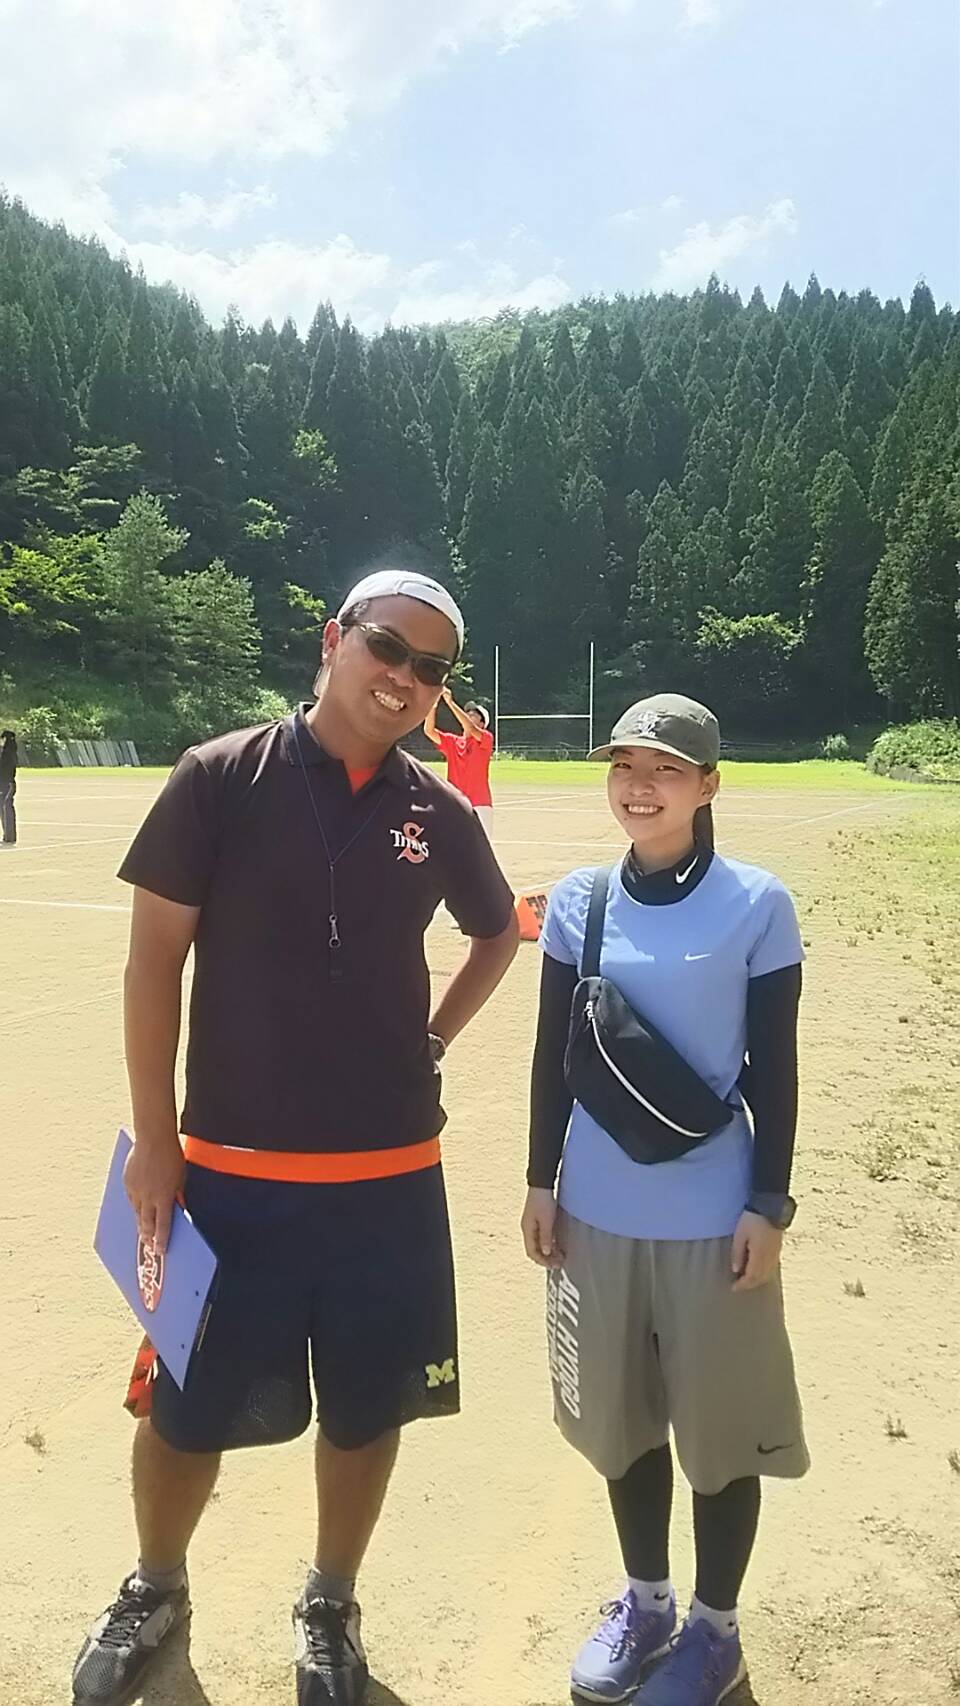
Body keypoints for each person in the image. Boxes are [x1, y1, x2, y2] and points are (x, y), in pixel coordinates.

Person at [73, 565, 519, 1706]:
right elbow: (152, 964)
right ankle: (156, 1585)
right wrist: (156, 1141)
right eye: (388, 647)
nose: (406, 678)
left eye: (432, 668)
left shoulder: (439, 811)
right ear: (333, 638)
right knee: (183, 1410)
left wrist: (430, 1038)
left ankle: (330, 1603)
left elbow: (495, 934)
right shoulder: (219, 776)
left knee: (370, 1408)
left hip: (389, 1177)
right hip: (228, 1173)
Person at [521, 693, 808, 1706]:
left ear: (708, 785)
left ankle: (716, 1631)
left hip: (712, 1217)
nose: (639, 787)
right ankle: (645, 1602)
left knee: (719, 1436)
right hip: (595, 1215)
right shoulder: (580, 900)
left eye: (666, 770)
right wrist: (541, 1180)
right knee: (623, 1421)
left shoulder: (758, 902)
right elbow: (553, 1057)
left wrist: (768, 1201)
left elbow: (774, 1067)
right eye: (625, 767)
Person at [423, 688, 495, 840]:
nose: (468, 715)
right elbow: (429, 731)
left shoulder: (486, 739)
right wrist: (433, 705)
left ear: (482, 724)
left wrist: (450, 703)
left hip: (479, 804)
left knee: (482, 848)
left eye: (473, 715)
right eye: (467, 713)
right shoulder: (453, 742)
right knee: (455, 847)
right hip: (456, 804)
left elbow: (470, 728)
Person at [0, 729, 17, 845]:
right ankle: (8, 835)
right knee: (4, 808)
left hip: (6, 783)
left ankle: (9, 836)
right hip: (6, 783)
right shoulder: (8, 752)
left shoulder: (7, 754)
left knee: (6, 808)